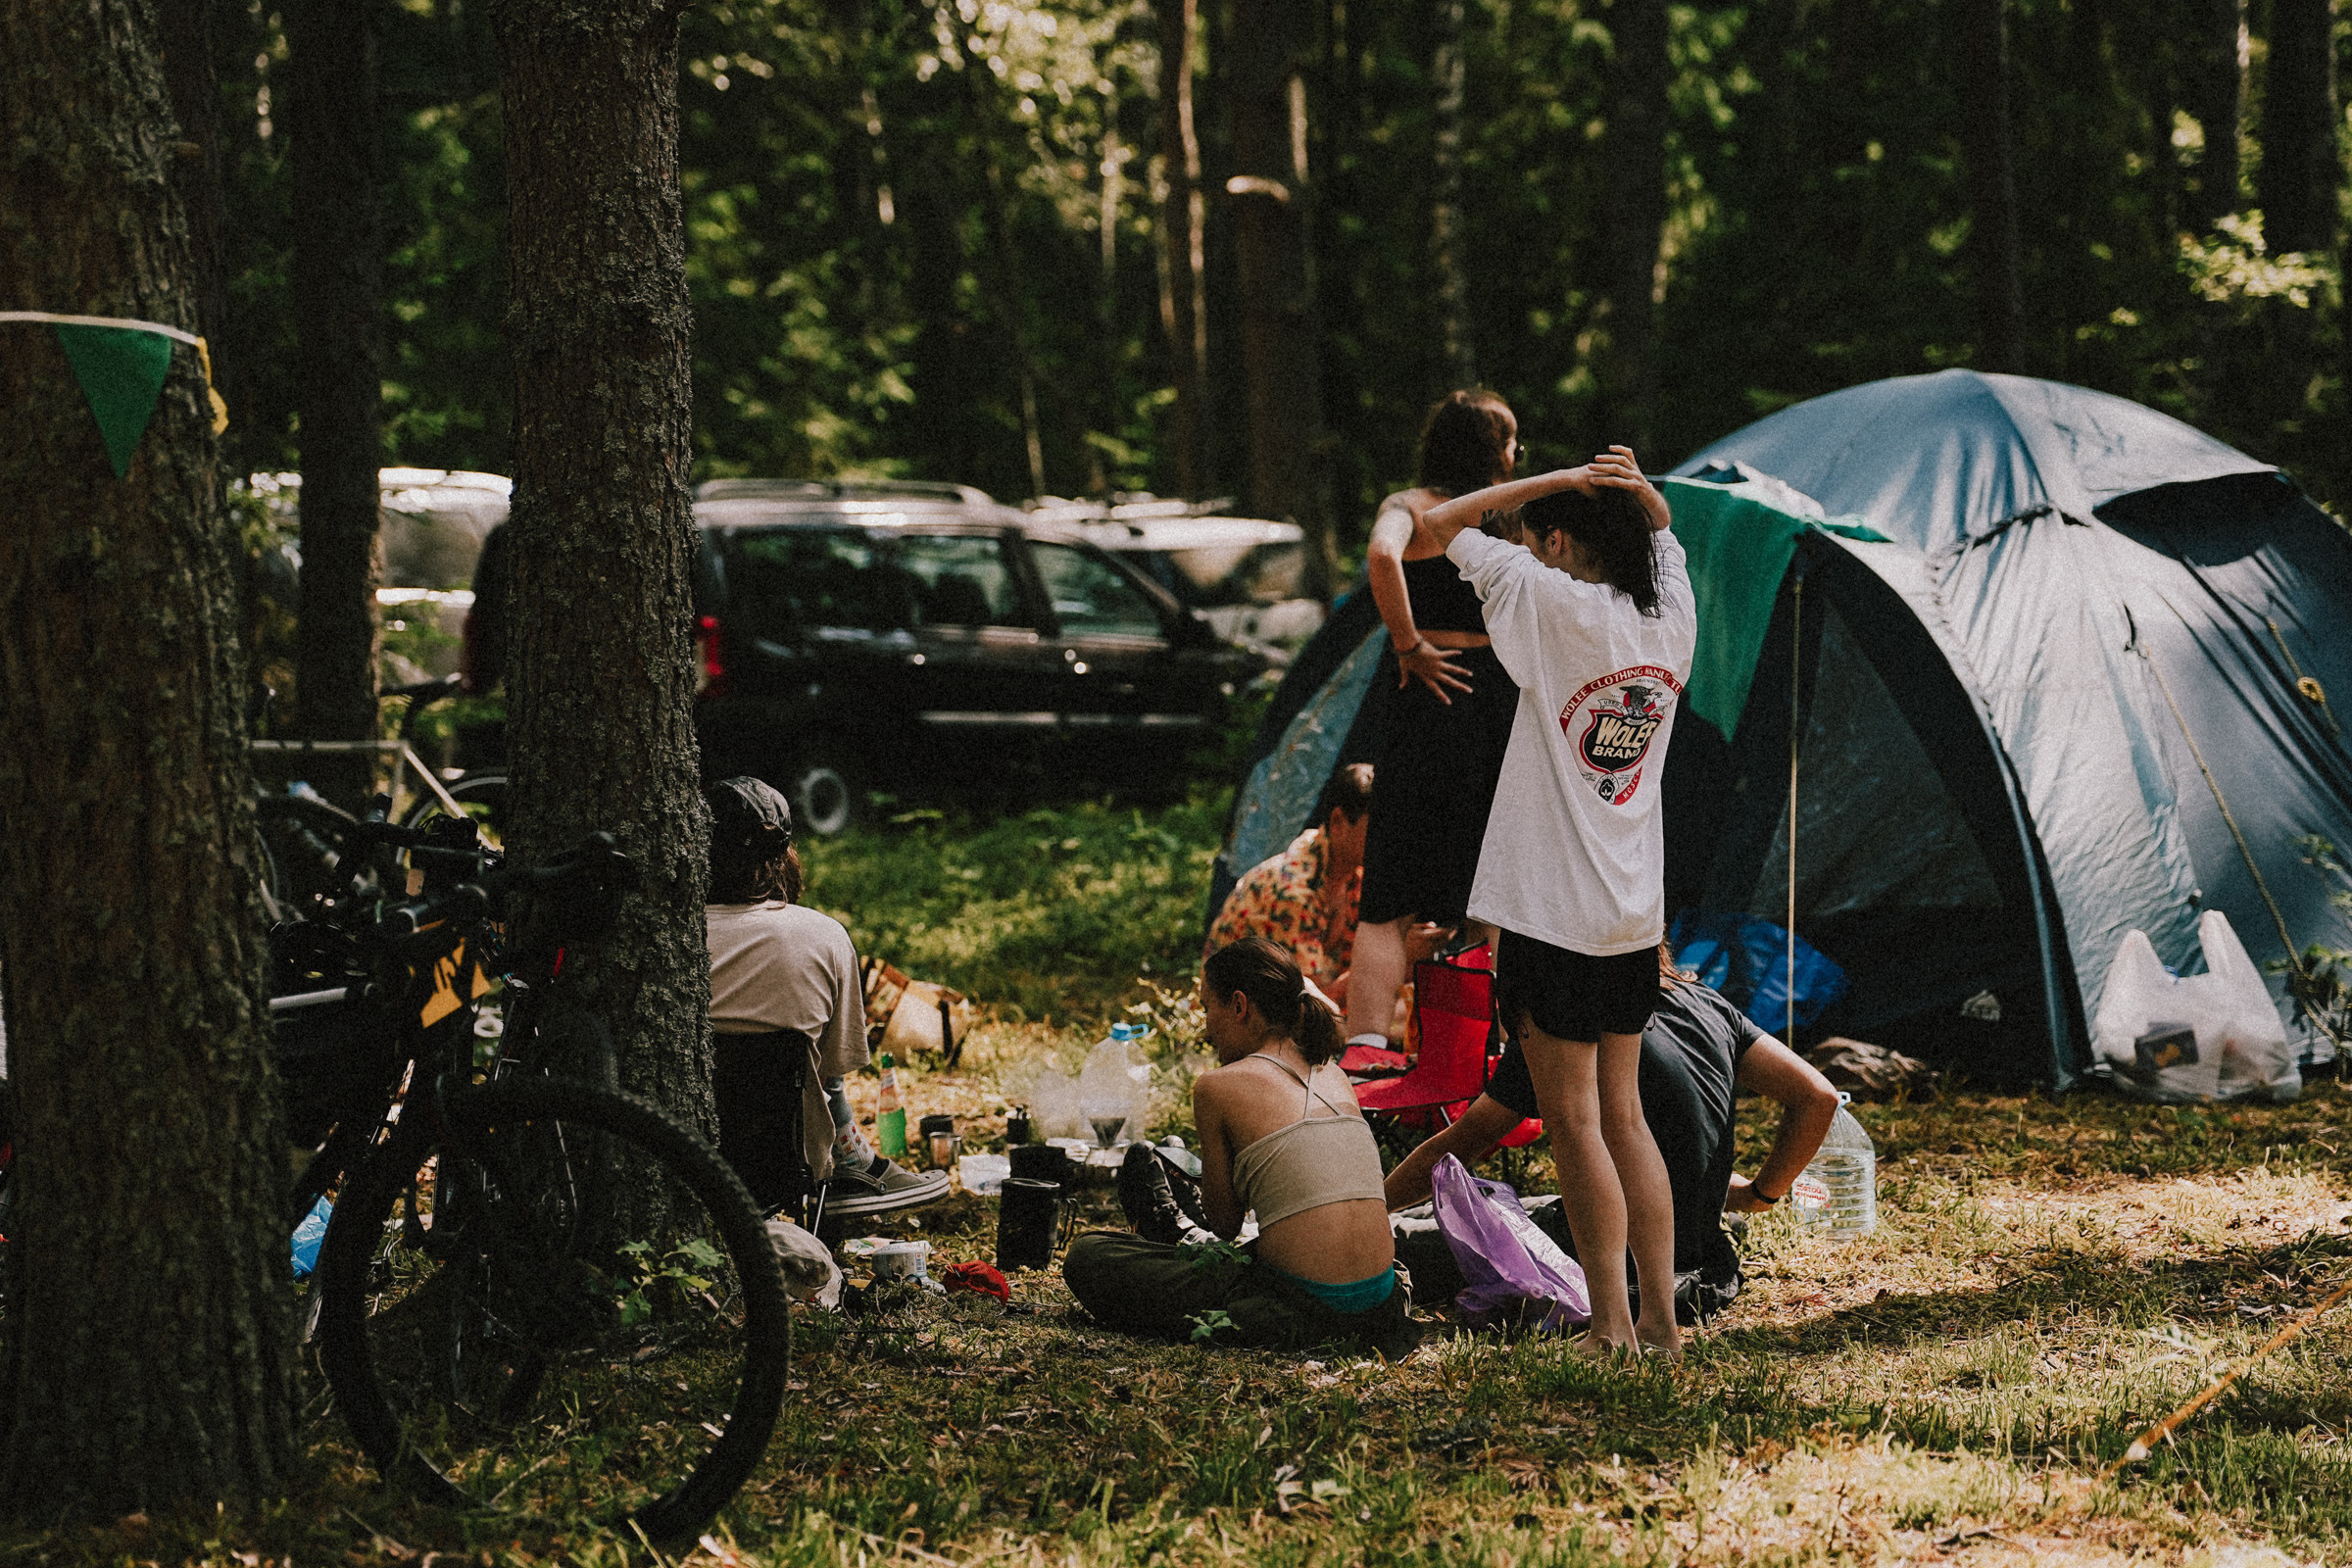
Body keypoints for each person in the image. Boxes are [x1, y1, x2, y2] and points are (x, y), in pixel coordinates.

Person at [1416, 446, 1692, 1356]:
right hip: (1630, 913)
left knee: (1576, 1122)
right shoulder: (1671, 616)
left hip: (1551, 911)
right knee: (1626, 1116)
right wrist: (1635, 493)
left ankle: (1608, 1326)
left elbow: (1437, 523)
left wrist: (1548, 479)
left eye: (1541, 537)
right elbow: (1663, 536)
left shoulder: (1548, 601)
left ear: (1562, 540)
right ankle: (1660, 1321)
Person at [1384, 946, 1841, 1321]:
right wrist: (1760, 1195)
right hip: (1700, 1249)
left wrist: (1370, 1211)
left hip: (1608, 1257)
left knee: (1391, 1241)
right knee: (1524, 1205)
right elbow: (1817, 1096)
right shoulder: (1705, 1002)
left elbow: (1458, 1147)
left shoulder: (1561, 1027)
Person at [1062, 938, 1419, 1358]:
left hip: (1297, 1311)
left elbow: (1226, 1224)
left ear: (1238, 1005)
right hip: (1385, 1302)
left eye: (1208, 1006)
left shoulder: (1217, 1086)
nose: (1206, 1025)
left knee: (1090, 1255)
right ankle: (1184, 1233)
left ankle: (1181, 1233)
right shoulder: (1334, 1074)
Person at [1346, 391, 1524, 1054]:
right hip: (1484, 696)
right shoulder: (1494, 516)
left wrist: (1411, 647)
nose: (1516, 455)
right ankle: (1488, 1052)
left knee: (1392, 886)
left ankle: (1366, 1051)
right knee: (1492, 883)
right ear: (1486, 447)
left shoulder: (1415, 507)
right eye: (1509, 442)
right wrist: (1406, 643)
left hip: (1432, 699)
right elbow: (1381, 557)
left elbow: (1388, 554)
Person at [704, 776, 947, 1219]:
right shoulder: (822, 934)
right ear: (783, 857)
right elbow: (832, 1070)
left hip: (678, 1153)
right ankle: (851, 1163)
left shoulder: (668, 936)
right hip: (787, 1166)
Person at [1203, 763, 1440, 1010]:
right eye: (1377, 830)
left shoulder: (1352, 873)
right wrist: (1398, 956)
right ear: (1337, 821)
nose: (1387, 841)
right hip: (1239, 1016)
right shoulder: (1294, 891)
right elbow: (1309, 1007)